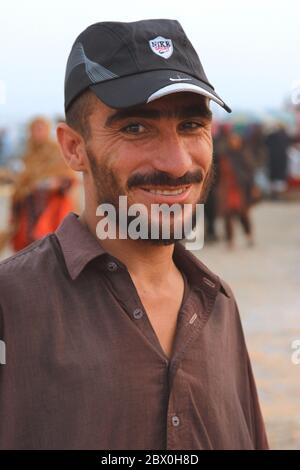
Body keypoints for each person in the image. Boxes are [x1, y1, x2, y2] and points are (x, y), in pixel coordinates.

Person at [0, 19, 268, 450]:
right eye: (135, 128)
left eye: (191, 126)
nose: (177, 163)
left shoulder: (217, 304)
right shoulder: (11, 303)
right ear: (73, 148)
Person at [8, 117, 77, 251]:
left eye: (41, 128)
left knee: (54, 247)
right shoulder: (28, 154)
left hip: (52, 207)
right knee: (29, 249)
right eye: (34, 129)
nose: (37, 132)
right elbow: (22, 180)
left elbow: (68, 177)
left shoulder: (57, 151)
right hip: (30, 207)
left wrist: (51, 183)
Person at [218, 131, 256, 248]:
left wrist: (252, 187)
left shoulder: (244, 155)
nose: (234, 142)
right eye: (232, 140)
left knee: (243, 214)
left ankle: (249, 235)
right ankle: (230, 240)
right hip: (227, 189)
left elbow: (250, 173)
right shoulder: (224, 155)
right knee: (228, 215)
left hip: (240, 189)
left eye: (236, 140)